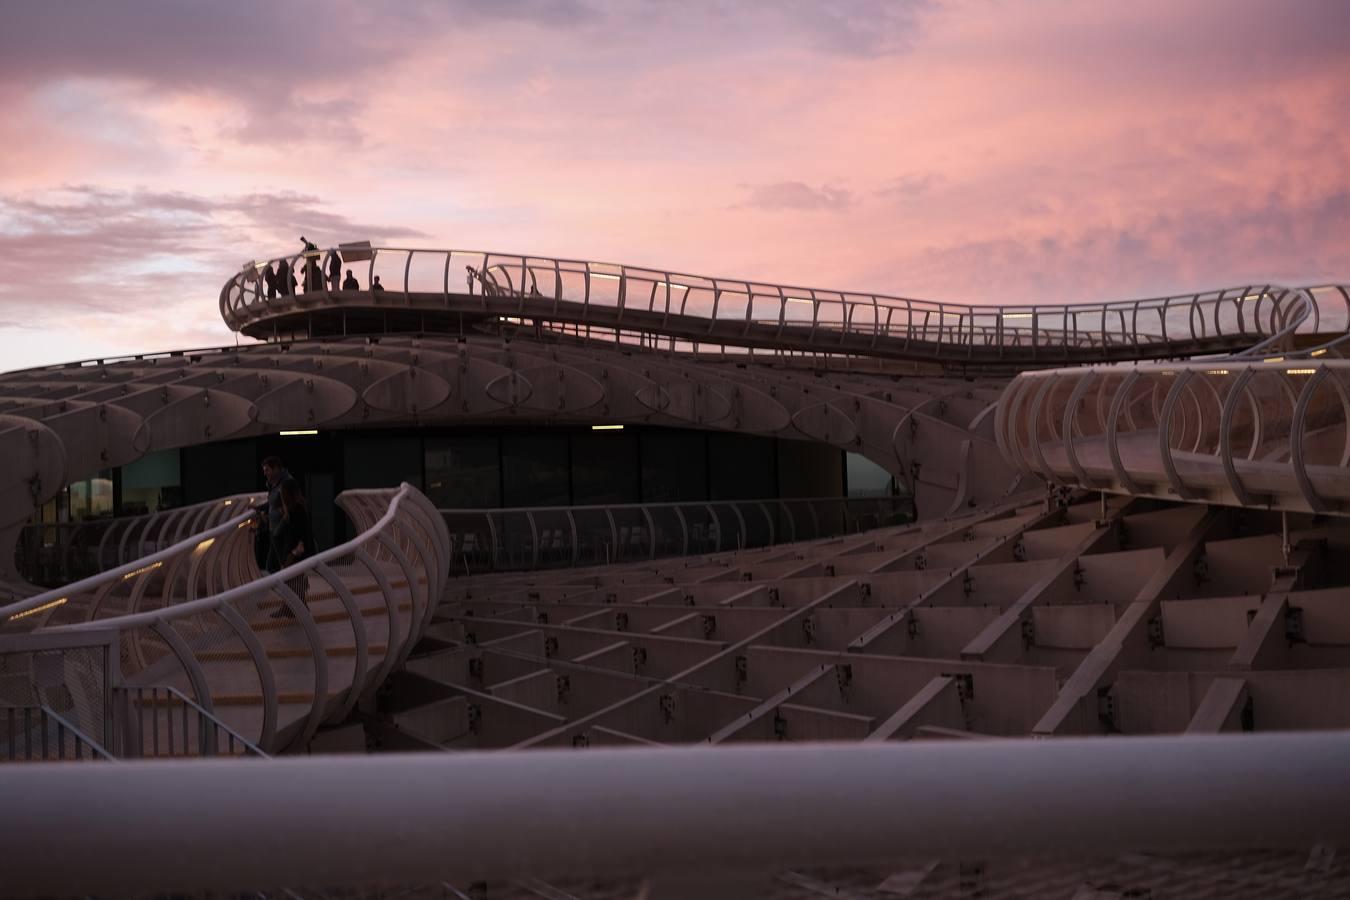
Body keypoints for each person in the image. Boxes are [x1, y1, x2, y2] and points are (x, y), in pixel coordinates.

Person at [270, 478, 315, 619]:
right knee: (294, 581)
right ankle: (292, 609)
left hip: (295, 551)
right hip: (294, 550)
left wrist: (296, 551)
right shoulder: (297, 507)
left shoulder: (297, 509)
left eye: (283, 492)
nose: (281, 495)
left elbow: (301, 532)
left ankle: (293, 609)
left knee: (289, 580)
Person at [258, 456, 298, 575]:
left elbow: (290, 512)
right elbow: (273, 503)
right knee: (274, 565)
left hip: (283, 532)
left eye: (267, 470)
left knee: (282, 565)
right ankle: (292, 589)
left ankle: (295, 590)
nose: (265, 474)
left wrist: (277, 532)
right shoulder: (273, 484)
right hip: (275, 531)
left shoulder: (286, 483)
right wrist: (259, 508)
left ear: (275, 469)